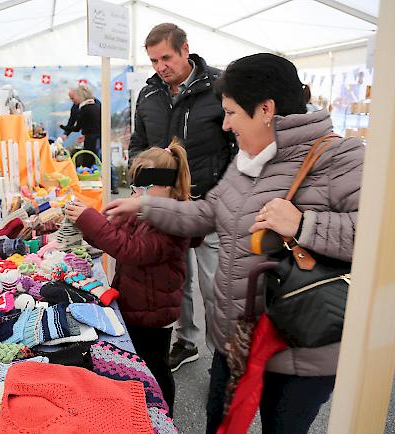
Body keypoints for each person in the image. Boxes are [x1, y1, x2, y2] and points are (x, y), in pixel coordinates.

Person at [105, 53, 364, 434]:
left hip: (299, 345)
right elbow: (209, 212)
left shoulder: (342, 159)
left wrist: (305, 224)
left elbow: (383, 241)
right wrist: (146, 206)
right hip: (236, 337)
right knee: (222, 424)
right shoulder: (249, 159)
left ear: (265, 109)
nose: (225, 125)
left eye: (230, 113)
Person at [129, 23, 236, 369]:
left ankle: (222, 357)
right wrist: (141, 187)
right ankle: (186, 340)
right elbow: (138, 145)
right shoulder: (148, 95)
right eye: (154, 60)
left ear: (185, 50)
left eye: (167, 57)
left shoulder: (220, 88)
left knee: (214, 285)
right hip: (165, 209)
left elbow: (237, 148)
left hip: (208, 205)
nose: (161, 66)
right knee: (178, 280)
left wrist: (225, 194)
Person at [65, 141, 197, 416]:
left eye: (145, 189)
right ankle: (144, 406)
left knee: (156, 366)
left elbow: (132, 250)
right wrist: (89, 221)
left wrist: (91, 220)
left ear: (168, 187)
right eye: (136, 188)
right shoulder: (143, 212)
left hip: (155, 310)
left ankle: (163, 415)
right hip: (136, 302)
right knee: (140, 361)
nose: (138, 194)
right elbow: (113, 236)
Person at [70, 85, 119, 193]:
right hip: (100, 136)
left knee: (97, 161)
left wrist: (64, 127)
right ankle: (113, 185)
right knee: (106, 161)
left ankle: (103, 185)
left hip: (94, 138)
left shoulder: (85, 108)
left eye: (74, 97)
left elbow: (78, 126)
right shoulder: (97, 104)